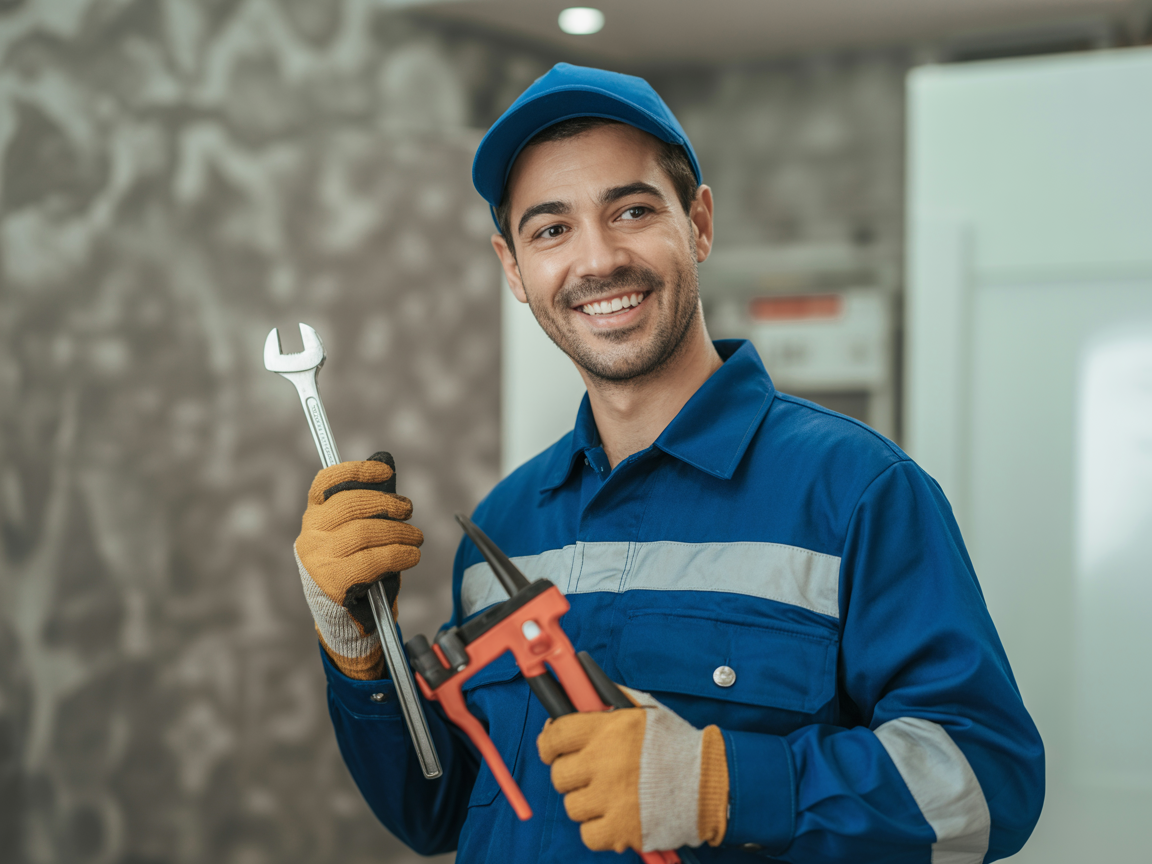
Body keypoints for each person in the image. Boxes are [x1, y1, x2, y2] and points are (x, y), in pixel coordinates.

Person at [292, 63, 1045, 862]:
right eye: (551, 229)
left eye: (633, 210)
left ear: (700, 224)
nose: (598, 259)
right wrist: (355, 644)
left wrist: (722, 785)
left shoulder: (859, 493)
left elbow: (989, 788)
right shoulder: (511, 519)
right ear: (514, 268)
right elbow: (435, 811)